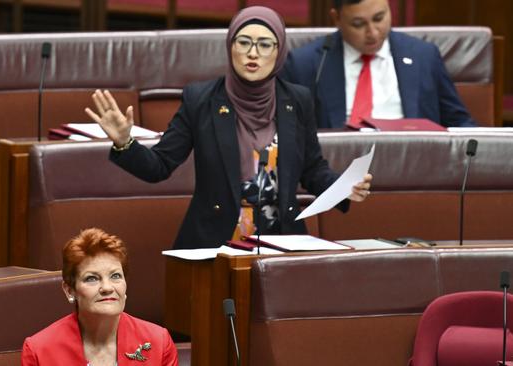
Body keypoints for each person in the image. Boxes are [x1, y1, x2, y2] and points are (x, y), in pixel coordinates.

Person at [85, 6, 372, 250]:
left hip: (283, 242)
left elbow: (311, 168)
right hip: (216, 243)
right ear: (230, 46)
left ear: (279, 51)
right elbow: (159, 165)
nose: (253, 53)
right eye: (243, 42)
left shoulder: (296, 100)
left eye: (264, 44)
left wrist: (344, 186)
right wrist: (125, 143)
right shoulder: (202, 100)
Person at [280, 0, 477, 129]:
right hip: (337, 172)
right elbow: (286, 131)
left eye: (379, 18)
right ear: (337, 19)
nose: (373, 33)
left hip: (411, 169)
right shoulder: (306, 64)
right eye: (358, 24)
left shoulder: (424, 56)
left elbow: (459, 123)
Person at [21, 228, 178, 365]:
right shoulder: (39, 351)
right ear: (69, 290)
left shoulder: (158, 342)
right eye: (92, 278)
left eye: (115, 276)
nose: (107, 288)